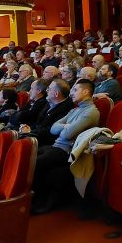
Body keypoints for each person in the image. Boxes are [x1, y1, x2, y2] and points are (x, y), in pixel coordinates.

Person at [31, 79, 100, 214]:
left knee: (34, 164)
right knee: (28, 156)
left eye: (75, 90)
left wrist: (64, 128)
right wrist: (66, 127)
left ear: (86, 92)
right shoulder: (75, 110)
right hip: (56, 146)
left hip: (67, 151)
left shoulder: (91, 112)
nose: (71, 93)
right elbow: (53, 128)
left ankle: (38, 202)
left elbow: (68, 134)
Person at [19, 79, 74, 147]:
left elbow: (51, 130)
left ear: (56, 94)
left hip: (46, 141)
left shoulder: (66, 108)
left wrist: (30, 131)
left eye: (49, 89)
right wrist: (28, 127)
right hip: (36, 134)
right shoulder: (49, 102)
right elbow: (39, 122)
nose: (47, 90)